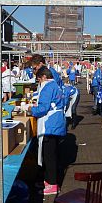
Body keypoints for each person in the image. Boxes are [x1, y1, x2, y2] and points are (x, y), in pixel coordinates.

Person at [28, 66, 66, 195]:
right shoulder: (55, 85)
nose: (39, 83)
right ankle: (49, 180)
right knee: (52, 153)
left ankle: (52, 183)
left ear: (43, 77)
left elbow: (43, 109)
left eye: (38, 80)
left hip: (50, 125)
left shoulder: (47, 87)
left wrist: (30, 110)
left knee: (49, 155)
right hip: (57, 122)